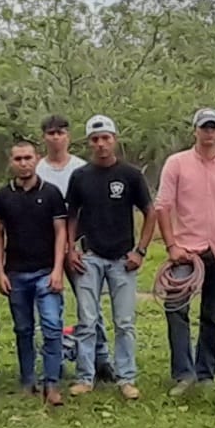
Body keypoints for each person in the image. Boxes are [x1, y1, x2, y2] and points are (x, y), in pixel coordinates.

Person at [155, 108, 215, 395]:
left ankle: (206, 373)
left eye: (213, 127)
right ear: (195, 130)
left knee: (213, 314)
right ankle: (183, 373)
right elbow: (162, 205)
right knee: (176, 309)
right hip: (187, 252)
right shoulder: (177, 163)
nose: (208, 133)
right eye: (204, 127)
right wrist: (172, 245)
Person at [66, 115, 155, 400]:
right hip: (90, 257)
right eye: (95, 139)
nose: (101, 144)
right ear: (89, 143)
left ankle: (126, 378)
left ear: (114, 139)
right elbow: (70, 216)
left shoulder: (130, 175)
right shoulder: (80, 176)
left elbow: (150, 212)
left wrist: (140, 250)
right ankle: (85, 377)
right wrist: (70, 249)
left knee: (125, 321)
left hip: (122, 259)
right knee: (87, 320)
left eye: (106, 138)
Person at [37, 113, 114, 381]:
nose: (56, 137)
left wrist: (75, 246)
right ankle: (53, 359)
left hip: (79, 248)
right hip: (46, 247)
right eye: (51, 132)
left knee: (89, 305)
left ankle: (101, 358)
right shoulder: (37, 170)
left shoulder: (81, 169)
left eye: (61, 132)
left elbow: (87, 211)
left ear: (69, 136)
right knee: (50, 306)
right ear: (44, 137)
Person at [0, 140, 67, 405]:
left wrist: (58, 269)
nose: (23, 163)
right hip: (15, 273)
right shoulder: (2, 197)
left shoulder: (51, 193)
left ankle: (52, 383)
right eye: (18, 159)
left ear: (37, 159)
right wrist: (0, 271)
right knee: (23, 329)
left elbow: (61, 233)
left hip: (46, 271)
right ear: (11, 162)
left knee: (51, 326)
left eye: (28, 158)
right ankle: (28, 380)